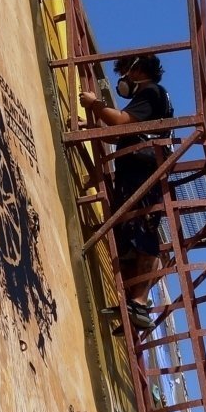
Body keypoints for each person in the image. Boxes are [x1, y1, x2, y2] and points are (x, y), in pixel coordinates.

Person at [78, 54, 174, 333]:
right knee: (130, 237)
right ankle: (133, 304)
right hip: (138, 167)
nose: (125, 79)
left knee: (143, 232)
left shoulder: (151, 92)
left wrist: (95, 105)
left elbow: (120, 122)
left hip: (141, 168)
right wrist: (96, 126)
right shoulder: (151, 100)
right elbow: (119, 132)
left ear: (139, 70)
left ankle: (139, 302)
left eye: (127, 72)